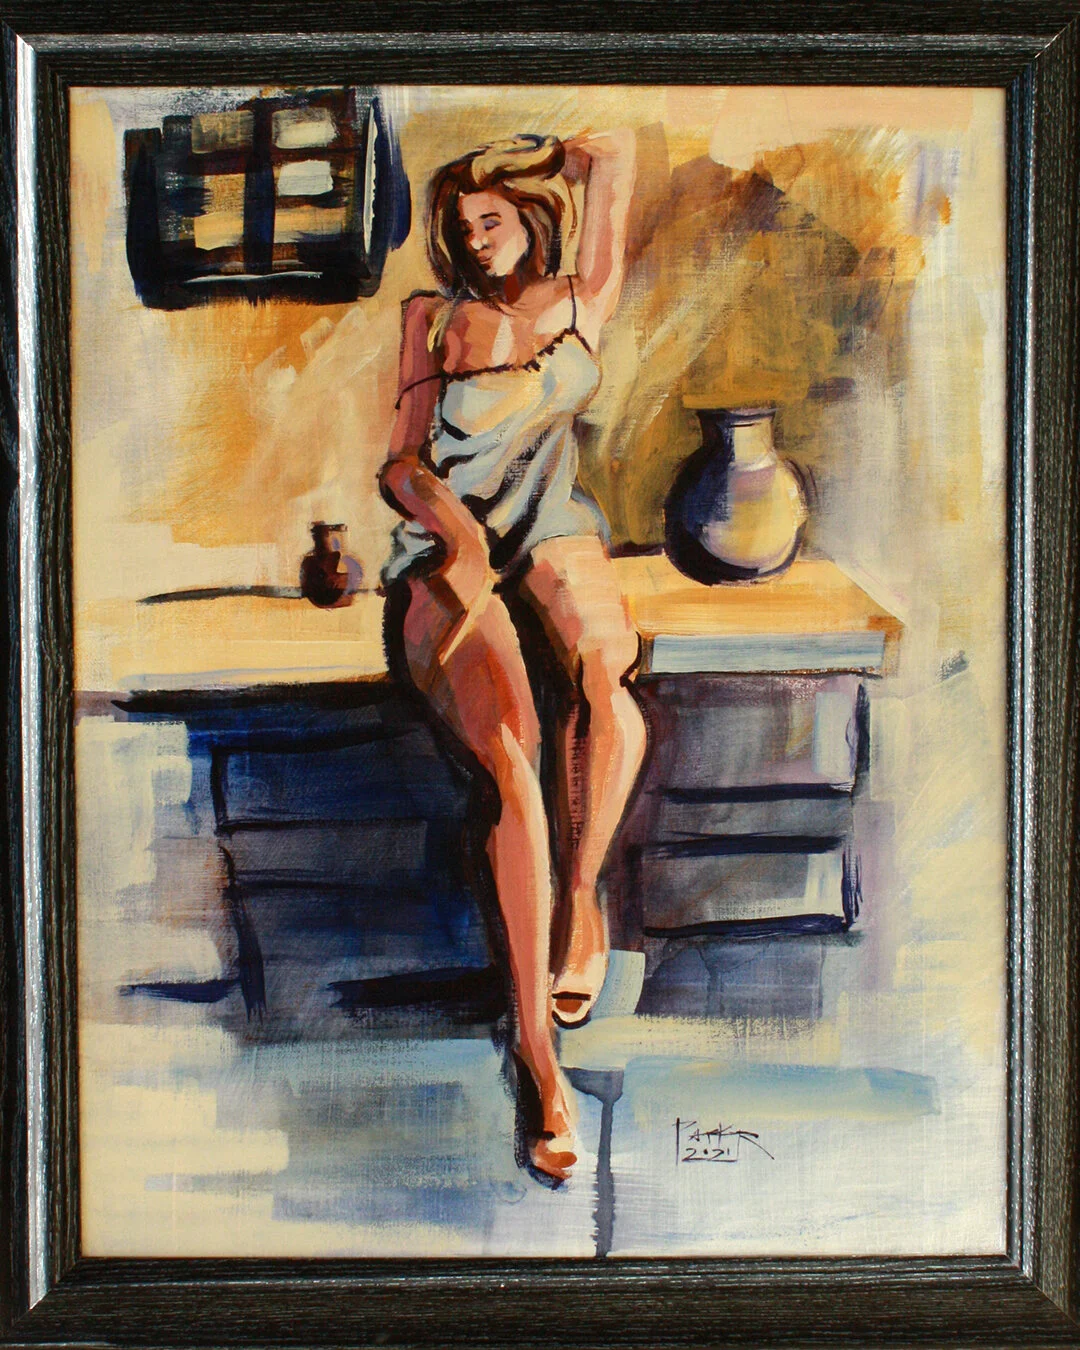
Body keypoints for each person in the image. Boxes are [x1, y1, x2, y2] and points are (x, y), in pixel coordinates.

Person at [378, 130, 647, 1184]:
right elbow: (401, 465)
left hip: (551, 525)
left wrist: (530, 152)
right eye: (462, 226)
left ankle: (582, 900)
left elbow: (609, 159)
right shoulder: (431, 320)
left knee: (607, 670)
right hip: (450, 541)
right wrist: (457, 536)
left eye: (490, 219)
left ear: (531, 219)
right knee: (515, 762)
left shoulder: (578, 301)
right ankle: (539, 1065)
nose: (476, 239)